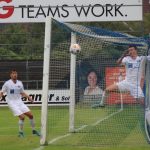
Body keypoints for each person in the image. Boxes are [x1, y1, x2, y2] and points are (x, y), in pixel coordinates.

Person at [0, 69, 40, 137]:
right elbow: (2, 92)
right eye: (13, 73)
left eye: (15, 73)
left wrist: (29, 97)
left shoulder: (20, 83)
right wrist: (1, 97)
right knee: (22, 117)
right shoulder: (7, 83)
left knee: (31, 115)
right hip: (12, 103)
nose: (14, 75)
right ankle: (20, 133)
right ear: (10, 75)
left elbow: (22, 93)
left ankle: (34, 131)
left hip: (20, 102)